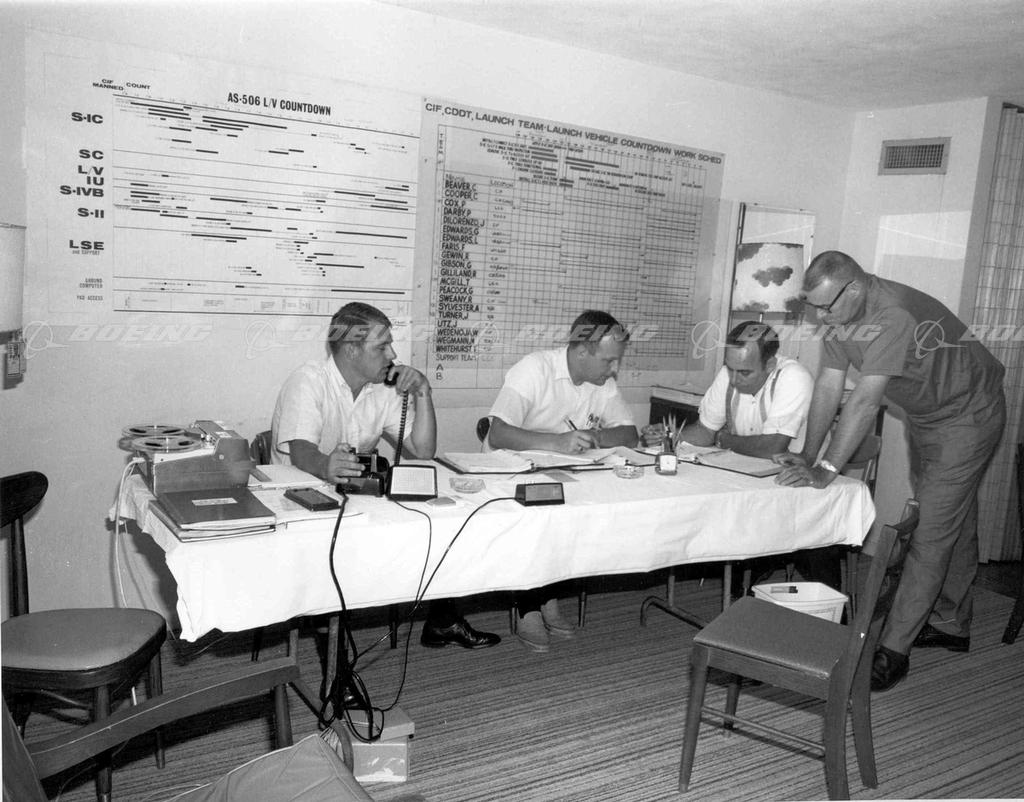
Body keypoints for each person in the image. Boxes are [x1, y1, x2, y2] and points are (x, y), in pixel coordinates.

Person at [775, 251, 1005, 693]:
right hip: (927, 415)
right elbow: (829, 384)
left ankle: (893, 652)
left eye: (826, 307)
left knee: (929, 531)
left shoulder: (892, 315)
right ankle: (952, 623)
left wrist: (826, 470)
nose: (820, 317)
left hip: (969, 412)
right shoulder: (840, 314)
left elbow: (864, 402)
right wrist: (807, 454)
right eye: (813, 306)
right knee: (952, 519)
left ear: (854, 289)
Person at [271, 301, 500, 650]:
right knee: (334, 550)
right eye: (382, 347)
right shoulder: (308, 381)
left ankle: (442, 622)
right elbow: (301, 452)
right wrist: (326, 466)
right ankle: (335, 661)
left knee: (437, 519)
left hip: (354, 492)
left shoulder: (381, 388)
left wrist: (422, 392)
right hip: (304, 495)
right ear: (351, 349)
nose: (392, 355)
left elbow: (422, 449)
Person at [486, 309, 639, 652]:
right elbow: (498, 433)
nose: (614, 368)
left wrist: (594, 436)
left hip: (563, 472)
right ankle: (528, 606)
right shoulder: (534, 369)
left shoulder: (602, 382)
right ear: (582, 351)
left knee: (574, 516)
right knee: (537, 518)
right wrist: (556, 442)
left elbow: (629, 434)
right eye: (609, 360)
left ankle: (548, 595)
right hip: (512, 469)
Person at [643, 321, 832, 591]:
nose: (734, 379)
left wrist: (724, 439)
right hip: (758, 478)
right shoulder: (730, 373)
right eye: (730, 369)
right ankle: (746, 587)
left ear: (770, 365)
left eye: (744, 372)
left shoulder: (792, 377)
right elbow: (705, 432)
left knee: (812, 546)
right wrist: (669, 435)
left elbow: (773, 447)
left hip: (809, 481)